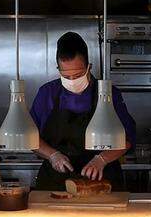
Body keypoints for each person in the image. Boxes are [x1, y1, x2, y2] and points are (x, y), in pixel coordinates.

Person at [30, 32, 136, 191]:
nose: (72, 81)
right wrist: (52, 155)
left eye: (78, 75)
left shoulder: (108, 94)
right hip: (55, 182)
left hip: (101, 179)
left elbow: (127, 138)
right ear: (58, 69)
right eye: (66, 76)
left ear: (89, 67)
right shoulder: (47, 93)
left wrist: (101, 159)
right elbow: (29, 136)